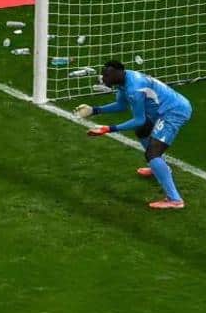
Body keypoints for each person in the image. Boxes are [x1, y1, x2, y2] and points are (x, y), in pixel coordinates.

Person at [76, 61, 193, 209]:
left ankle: (175, 200)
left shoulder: (134, 88)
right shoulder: (125, 80)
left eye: (107, 75)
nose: (104, 78)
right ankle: (159, 167)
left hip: (173, 112)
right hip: (160, 109)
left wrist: (108, 129)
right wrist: (95, 110)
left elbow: (139, 119)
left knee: (152, 153)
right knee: (142, 130)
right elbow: (121, 105)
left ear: (118, 73)